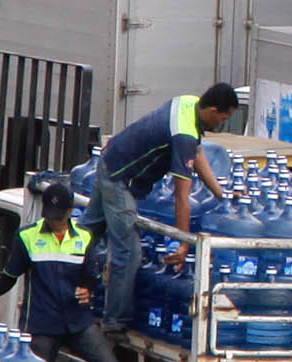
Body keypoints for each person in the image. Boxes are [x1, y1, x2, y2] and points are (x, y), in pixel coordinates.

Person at [0, 179, 126, 362]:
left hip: (77, 321)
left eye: (58, 217)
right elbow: (10, 275)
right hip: (42, 322)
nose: (53, 221)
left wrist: (88, 290)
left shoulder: (84, 238)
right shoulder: (28, 237)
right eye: (50, 216)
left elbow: (92, 277)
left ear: (69, 212)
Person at [92, 82, 241, 336]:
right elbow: (181, 196)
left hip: (111, 162)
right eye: (223, 118)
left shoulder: (188, 102)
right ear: (214, 110)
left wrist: (221, 193)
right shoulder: (183, 134)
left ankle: (67, 290)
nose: (221, 124)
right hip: (120, 179)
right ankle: (114, 322)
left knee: (86, 233)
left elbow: (197, 153)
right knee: (128, 252)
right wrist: (183, 243)